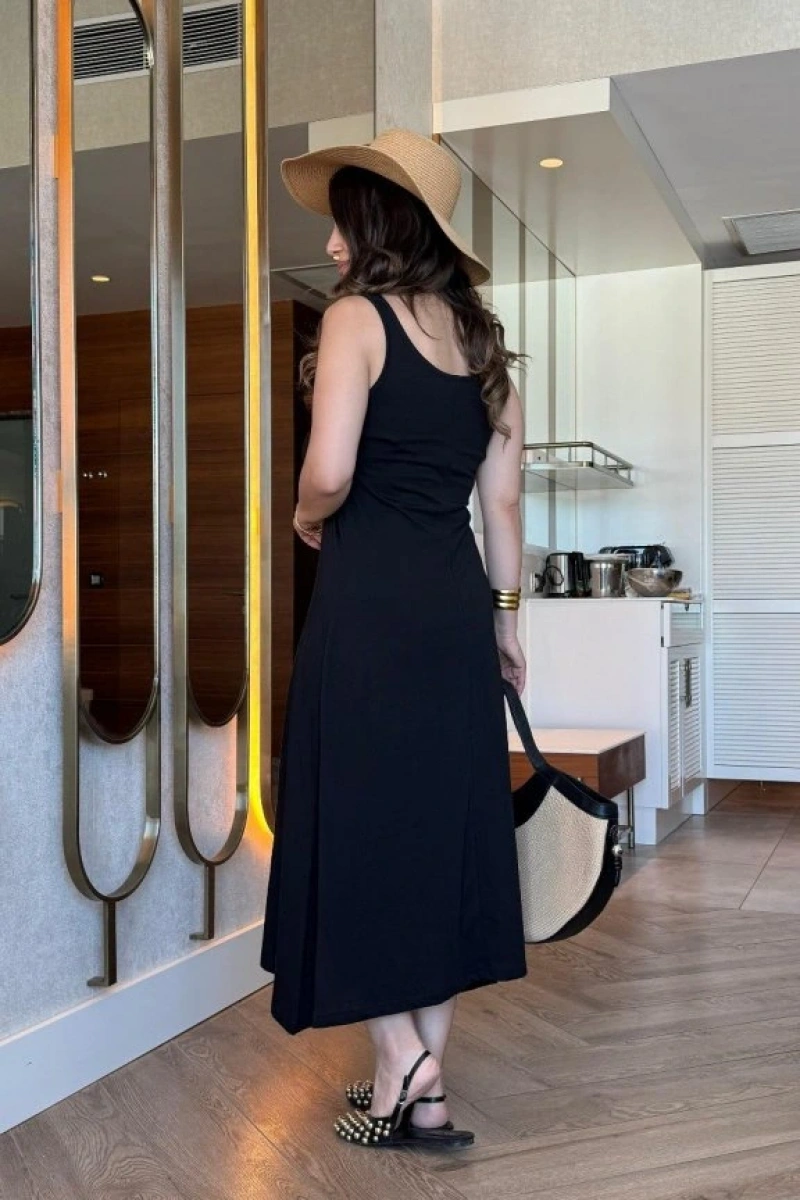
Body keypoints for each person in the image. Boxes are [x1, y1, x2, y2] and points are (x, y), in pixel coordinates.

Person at [261, 128, 527, 1150]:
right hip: (454, 613)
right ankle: (421, 1083)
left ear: (381, 223)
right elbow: (503, 511)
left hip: (368, 611)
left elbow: (329, 470)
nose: (331, 244)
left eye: (343, 222)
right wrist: (507, 626)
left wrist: (302, 512)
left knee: (355, 823)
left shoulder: (355, 321)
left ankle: (399, 1061)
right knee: (439, 831)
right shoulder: (487, 353)